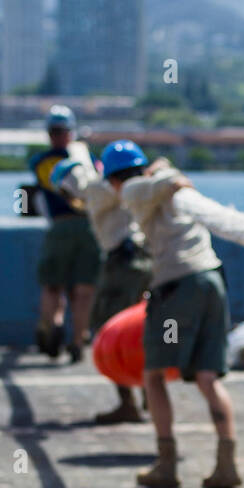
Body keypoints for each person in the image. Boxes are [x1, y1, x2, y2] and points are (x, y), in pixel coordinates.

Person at [120, 152, 240, 488]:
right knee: (207, 377)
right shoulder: (168, 194)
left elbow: (171, 181)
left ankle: (166, 464)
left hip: (177, 288)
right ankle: (226, 464)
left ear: (117, 179)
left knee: (154, 375)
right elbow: (170, 176)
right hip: (212, 281)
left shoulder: (132, 190)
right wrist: (162, 168)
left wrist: (162, 173)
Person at [53, 139, 153, 424]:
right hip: (148, 260)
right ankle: (149, 393)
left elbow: (82, 187)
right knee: (145, 329)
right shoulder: (142, 192)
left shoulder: (101, 191)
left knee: (112, 333)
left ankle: (131, 401)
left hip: (123, 265)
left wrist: (75, 156)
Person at [28, 105, 99, 362]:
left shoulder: (40, 162)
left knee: (52, 285)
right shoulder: (88, 162)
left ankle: (53, 323)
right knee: (83, 290)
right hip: (87, 227)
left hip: (59, 226)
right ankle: (78, 339)